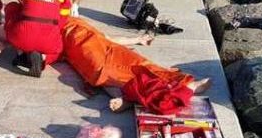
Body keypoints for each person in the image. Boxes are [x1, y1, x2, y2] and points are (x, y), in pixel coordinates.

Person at [59, 17, 210, 113]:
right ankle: (183, 85)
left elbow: (107, 38)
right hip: (100, 52)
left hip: (96, 55)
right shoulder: (76, 22)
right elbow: (108, 38)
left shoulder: (65, 24)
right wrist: (136, 39)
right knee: (139, 68)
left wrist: (137, 40)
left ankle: (127, 98)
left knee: (108, 77)